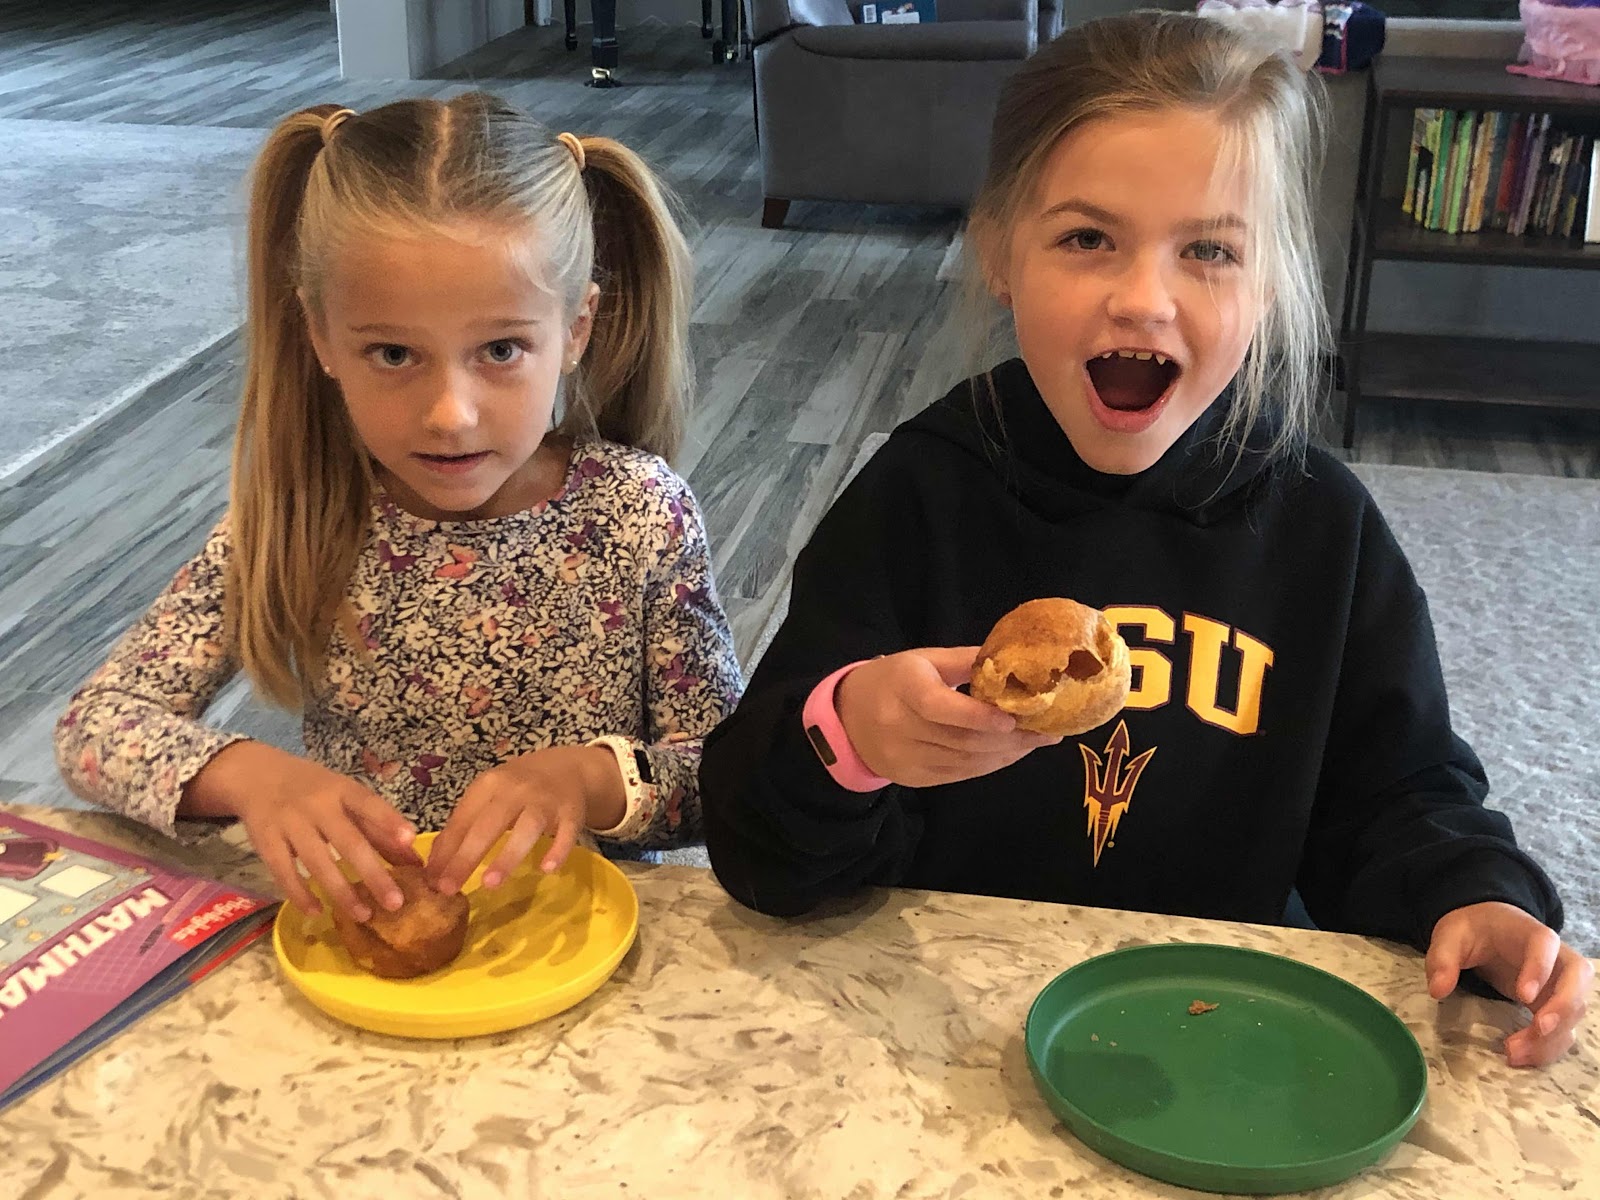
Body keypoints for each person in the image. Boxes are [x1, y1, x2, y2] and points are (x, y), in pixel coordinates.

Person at [700, 13, 1591, 1067]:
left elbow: (1401, 794)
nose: (1143, 299)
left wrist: (1474, 894)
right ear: (999, 254)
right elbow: (759, 857)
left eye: (1209, 250)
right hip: (950, 1036)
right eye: (1087, 239)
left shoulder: (1322, 528)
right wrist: (848, 738)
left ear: (1268, 283)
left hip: (1213, 1031)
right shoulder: (918, 497)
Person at [56, 93, 741, 925]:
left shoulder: (640, 514)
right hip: (377, 945)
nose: (450, 414)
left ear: (575, 328)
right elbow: (96, 726)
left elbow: (730, 775)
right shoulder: (301, 517)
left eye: (501, 349)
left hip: (593, 940)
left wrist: (590, 781)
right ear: (320, 336)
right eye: (392, 352)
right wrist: (251, 777)